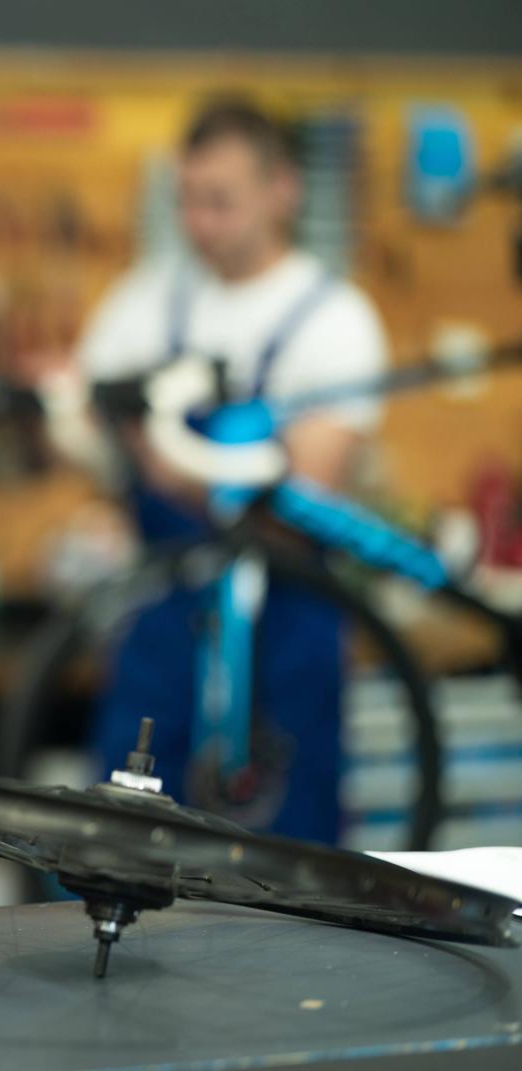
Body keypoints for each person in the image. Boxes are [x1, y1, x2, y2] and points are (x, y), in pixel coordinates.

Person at [68, 99, 388, 841]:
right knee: (116, 839)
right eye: (187, 200)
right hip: (164, 614)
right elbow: (87, 437)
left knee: (291, 856)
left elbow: (300, 500)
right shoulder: (145, 303)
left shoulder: (334, 321)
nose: (198, 222)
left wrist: (161, 461)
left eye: (221, 201)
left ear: (283, 191)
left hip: (289, 625)